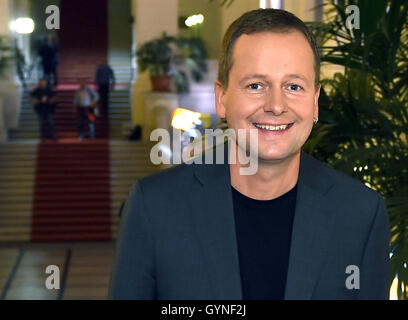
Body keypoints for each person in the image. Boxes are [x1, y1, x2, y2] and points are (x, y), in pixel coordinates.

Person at [109, 9, 390, 300]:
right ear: (222, 98)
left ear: (315, 101)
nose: (276, 105)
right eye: (256, 85)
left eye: (294, 86)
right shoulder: (154, 208)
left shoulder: (361, 214)